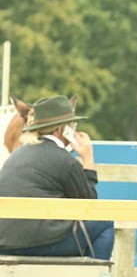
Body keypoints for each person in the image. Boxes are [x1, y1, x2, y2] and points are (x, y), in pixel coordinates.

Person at [0, 95, 114, 260]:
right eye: (72, 125)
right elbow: (89, 208)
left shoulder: (16, 155)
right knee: (104, 224)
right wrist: (88, 159)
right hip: (38, 245)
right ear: (62, 130)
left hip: (4, 244)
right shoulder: (65, 161)